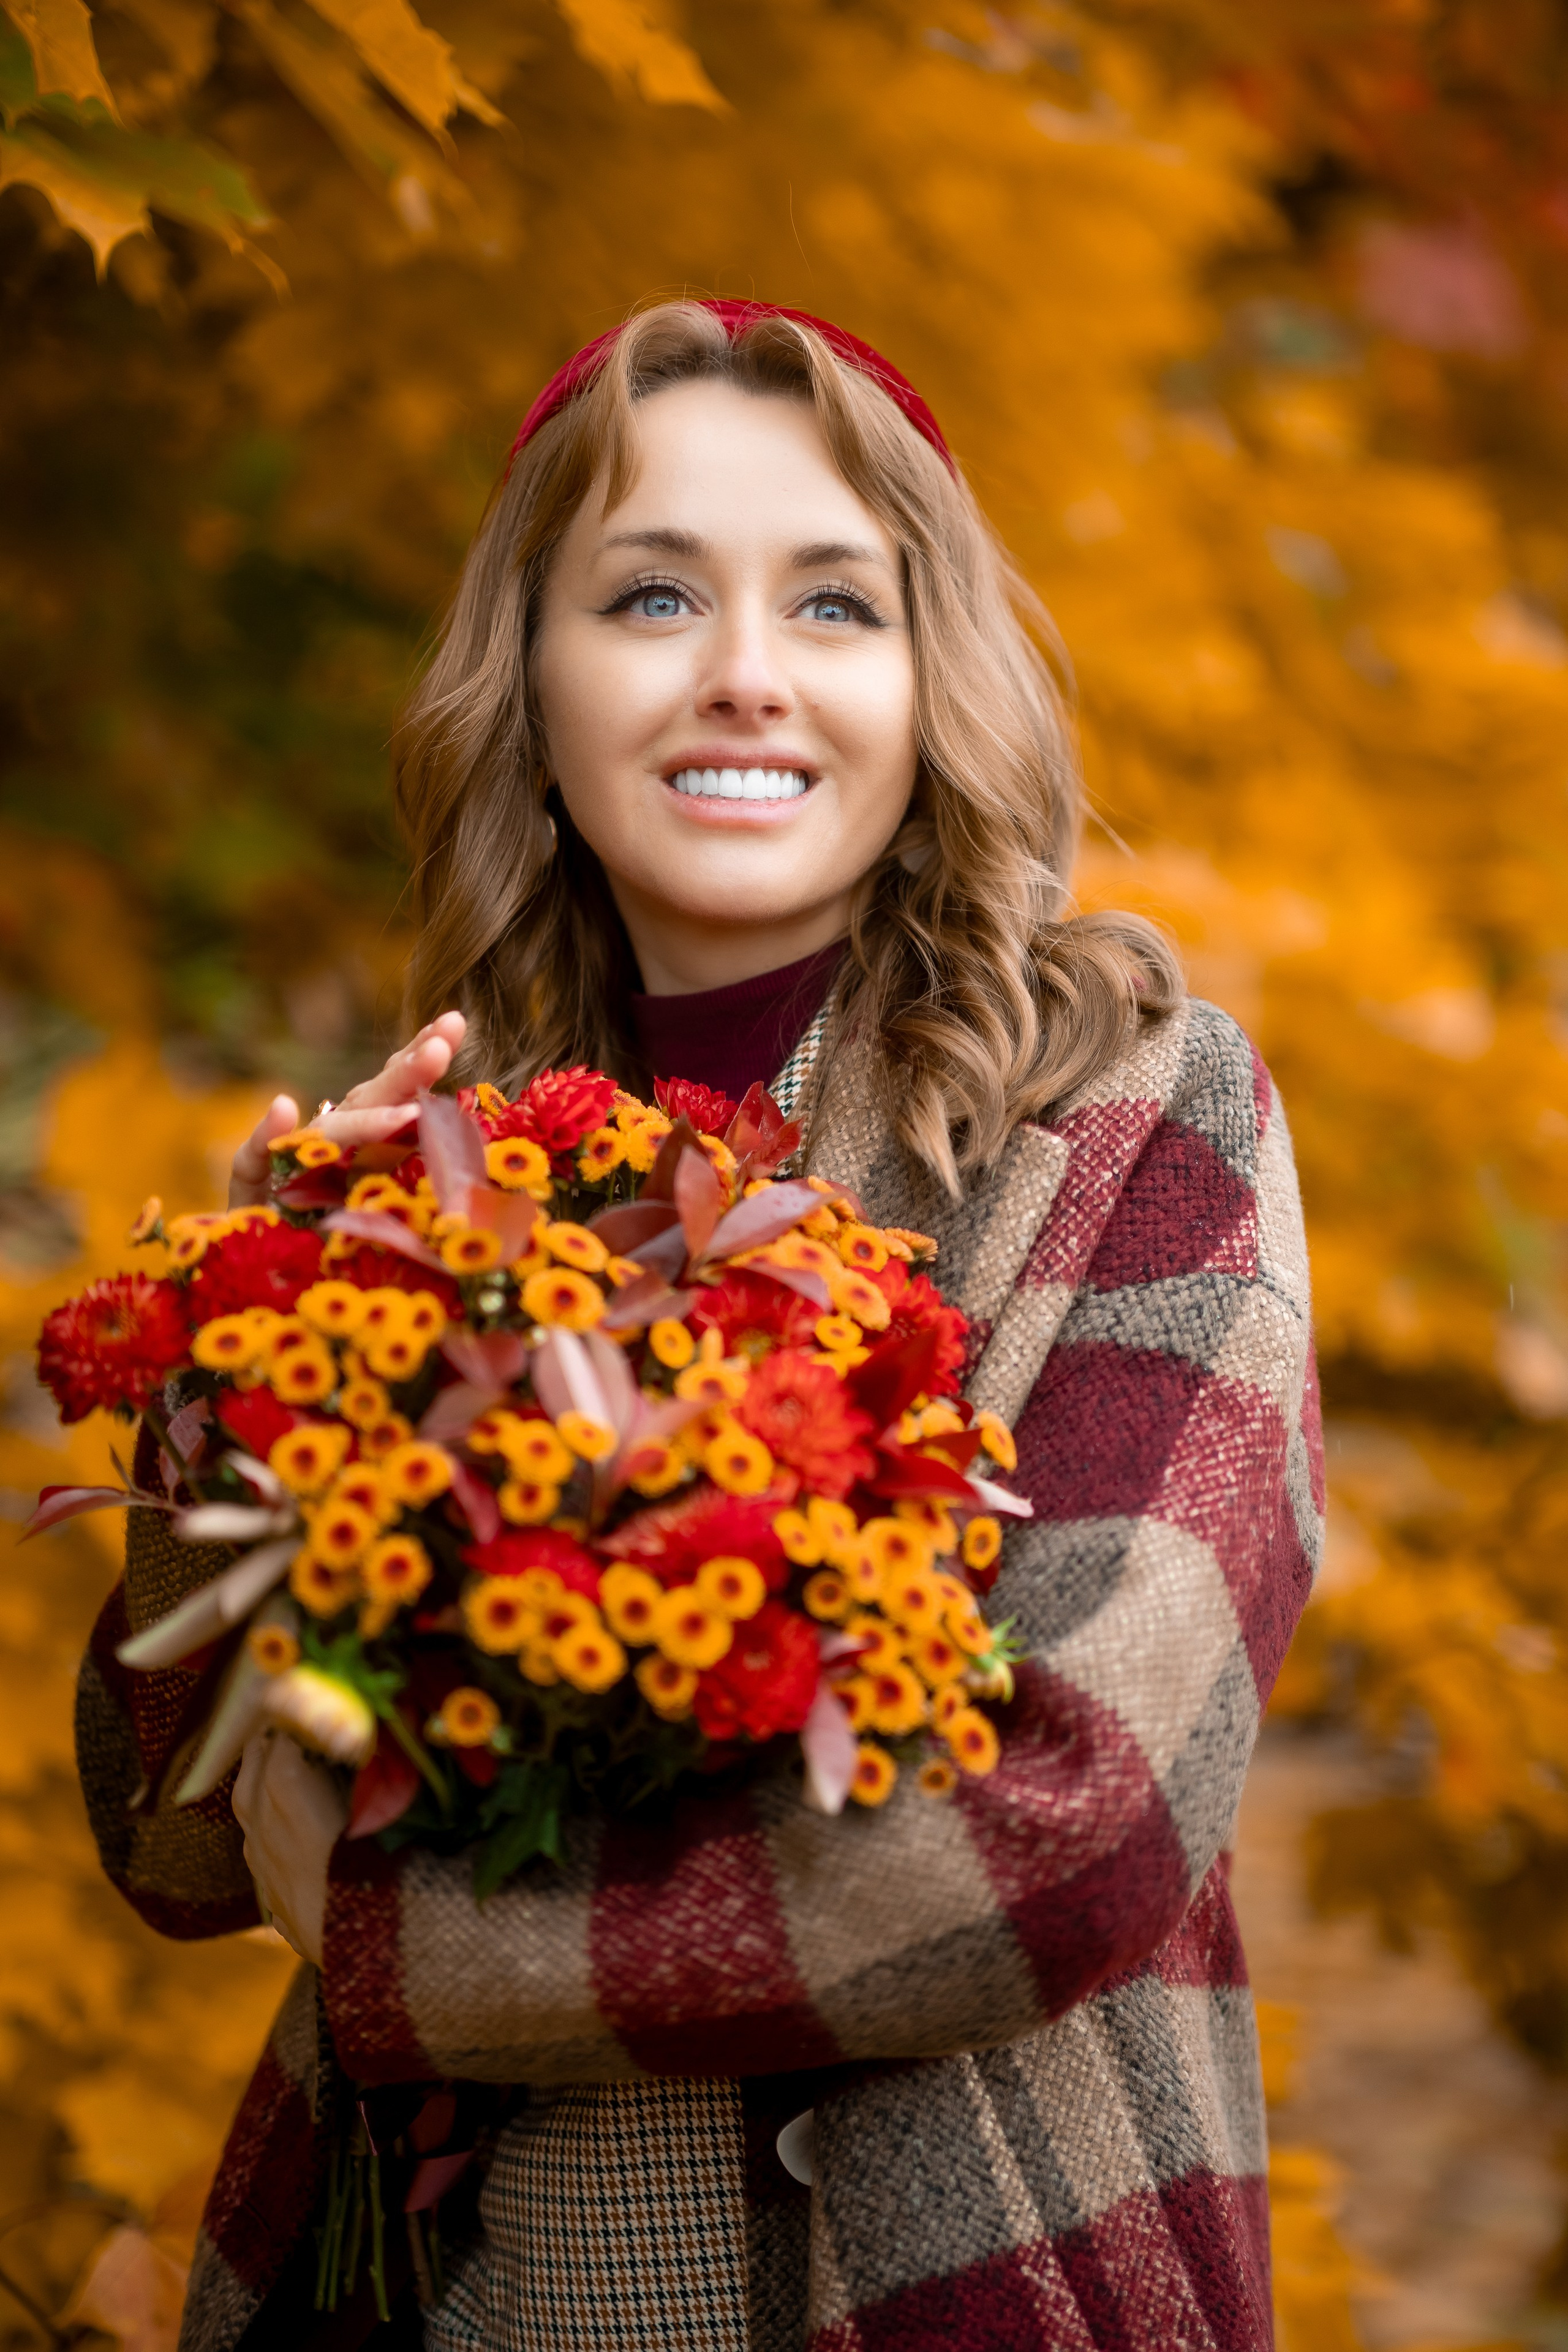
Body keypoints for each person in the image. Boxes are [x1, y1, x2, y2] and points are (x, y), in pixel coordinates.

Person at [77, 300, 1322, 2352]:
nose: (746, 669)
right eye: (652, 595)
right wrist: (248, 1351)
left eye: (835, 603)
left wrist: (412, 1955)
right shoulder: (456, 1165)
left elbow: (1073, 1825)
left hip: (951, 2292)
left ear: (930, 685)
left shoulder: (1131, 1113)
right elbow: (184, 1843)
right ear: (530, 688)